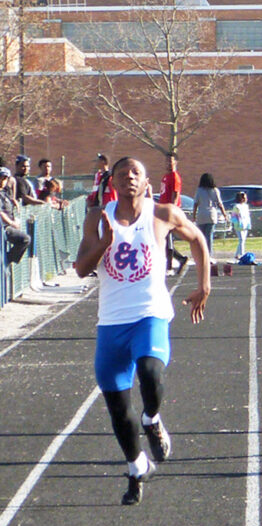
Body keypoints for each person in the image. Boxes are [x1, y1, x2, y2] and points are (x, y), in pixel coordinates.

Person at [74, 157, 211, 505]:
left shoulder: (162, 214)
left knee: (150, 372)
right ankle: (138, 467)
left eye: (136, 173)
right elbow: (80, 268)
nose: (129, 178)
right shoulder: (97, 218)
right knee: (118, 409)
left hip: (150, 315)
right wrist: (104, 243)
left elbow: (197, 239)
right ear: (113, 185)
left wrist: (204, 285)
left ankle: (152, 419)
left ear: (147, 182)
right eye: (122, 175)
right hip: (111, 323)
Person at [158, 153, 188, 273]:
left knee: (167, 238)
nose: (168, 164)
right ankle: (180, 259)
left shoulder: (174, 177)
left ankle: (169, 266)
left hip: (169, 212)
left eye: (170, 161)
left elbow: (175, 195)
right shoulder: (166, 176)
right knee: (164, 238)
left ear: (175, 162)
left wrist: (172, 210)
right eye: (166, 161)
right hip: (163, 210)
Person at [192, 173, 227, 261]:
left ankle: (201, 254)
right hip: (211, 214)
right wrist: (224, 214)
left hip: (201, 214)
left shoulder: (199, 190)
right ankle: (209, 254)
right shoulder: (215, 190)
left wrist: (194, 216)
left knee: (201, 236)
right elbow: (220, 204)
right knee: (209, 236)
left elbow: (195, 204)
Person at [0, 168, 30, 265]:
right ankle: (7, 260)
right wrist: (12, 223)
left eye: (5, 178)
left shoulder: (4, 193)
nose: (2, 181)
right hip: (3, 227)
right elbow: (0, 213)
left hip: (7, 225)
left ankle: (6, 261)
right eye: (1, 178)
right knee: (24, 239)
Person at [230, 191, 252, 260]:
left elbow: (247, 216)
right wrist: (236, 224)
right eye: (245, 197)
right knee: (241, 239)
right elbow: (233, 217)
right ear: (241, 198)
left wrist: (249, 224)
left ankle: (237, 254)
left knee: (243, 240)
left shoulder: (246, 206)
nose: (246, 199)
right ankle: (242, 254)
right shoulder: (236, 206)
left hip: (245, 224)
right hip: (239, 225)